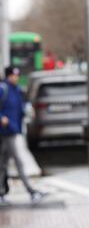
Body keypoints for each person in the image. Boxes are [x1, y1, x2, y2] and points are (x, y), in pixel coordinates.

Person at [0, 66, 46, 204]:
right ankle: (31, 191)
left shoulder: (17, 90)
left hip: (13, 130)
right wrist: (2, 118)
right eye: (13, 75)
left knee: (2, 164)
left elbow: (21, 108)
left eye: (17, 75)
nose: (16, 78)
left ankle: (1, 194)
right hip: (6, 131)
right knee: (18, 162)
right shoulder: (3, 89)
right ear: (8, 76)